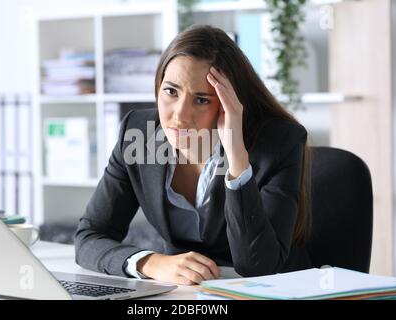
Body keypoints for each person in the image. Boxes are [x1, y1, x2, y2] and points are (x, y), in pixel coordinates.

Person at [75, 24, 311, 285]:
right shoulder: (139, 133)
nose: (179, 116)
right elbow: (89, 237)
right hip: (183, 293)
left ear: (229, 101)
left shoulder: (278, 143)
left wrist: (237, 158)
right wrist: (151, 263)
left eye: (201, 99)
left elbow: (258, 266)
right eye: (171, 91)